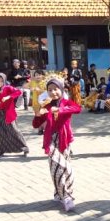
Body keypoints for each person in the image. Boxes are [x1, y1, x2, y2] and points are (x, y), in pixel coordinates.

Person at [33, 78, 82, 211]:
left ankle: (59, 193)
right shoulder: (46, 106)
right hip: (50, 141)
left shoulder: (66, 102)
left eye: (56, 89)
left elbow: (77, 108)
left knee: (59, 169)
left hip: (64, 140)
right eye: (50, 90)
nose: (53, 92)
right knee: (60, 167)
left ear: (61, 89)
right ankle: (66, 196)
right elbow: (36, 125)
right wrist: (38, 114)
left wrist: (59, 110)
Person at [0, 73, 29, 158]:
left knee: (14, 130)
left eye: (1, 81)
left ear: (4, 81)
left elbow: (18, 91)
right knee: (0, 132)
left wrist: (9, 97)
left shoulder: (8, 88)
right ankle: (1, 149)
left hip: (9, 113)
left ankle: (24, 148)